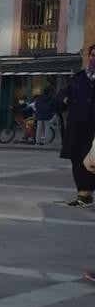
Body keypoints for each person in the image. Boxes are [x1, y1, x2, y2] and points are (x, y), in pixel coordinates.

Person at [59, 46, 95, 208]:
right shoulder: (78, 77)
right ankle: (84, 195)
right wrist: (65, 100)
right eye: (93, 55)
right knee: (79, 162)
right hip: (78, 128)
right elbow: (60, 97)